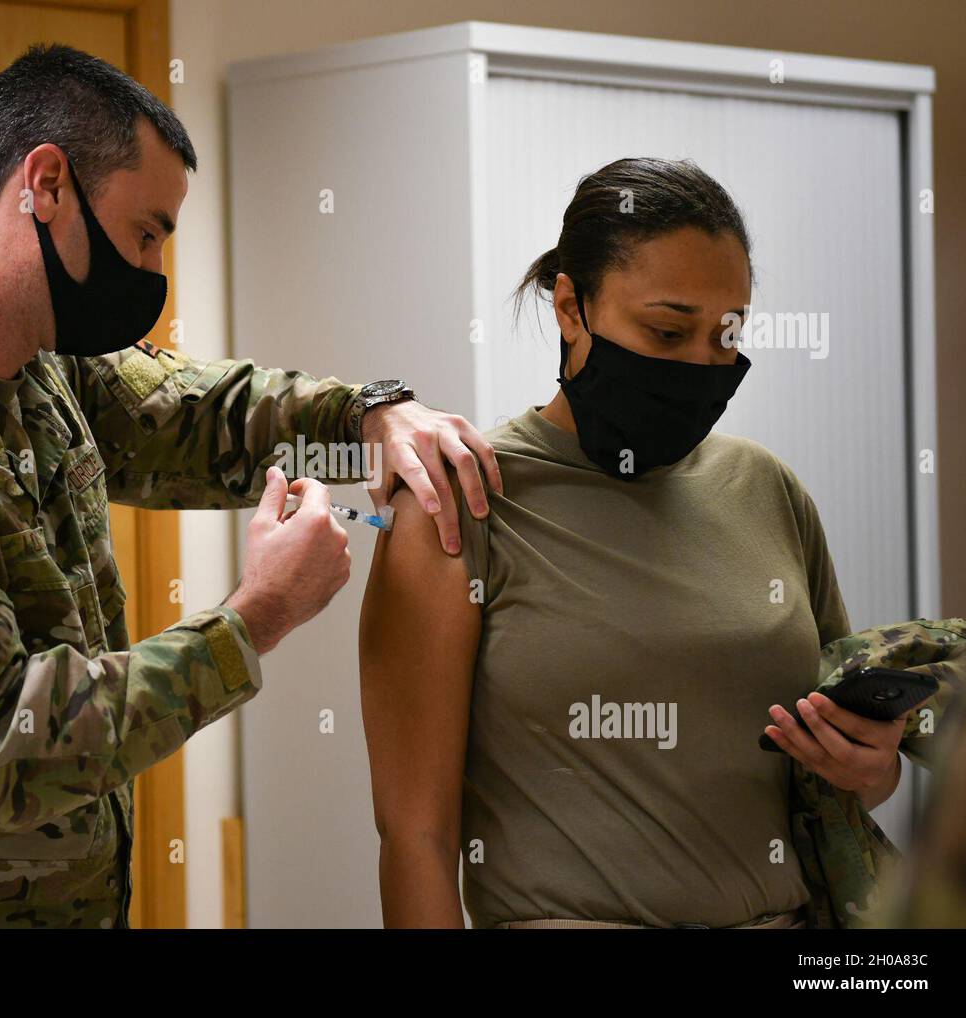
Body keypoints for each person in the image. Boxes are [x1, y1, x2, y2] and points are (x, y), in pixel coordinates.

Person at [0, 43, 500, 929]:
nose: (150, 275)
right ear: (46, 186)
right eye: (144, 234)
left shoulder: (34, 368)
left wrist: (364, 422)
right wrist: (257, 619)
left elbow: (200, 418)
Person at [359, 157, 907, 929]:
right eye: (666, 329)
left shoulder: (767, 490)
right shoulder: (461, 503)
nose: (702, 365)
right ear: (571, 308)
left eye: (726, 336)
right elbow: (415, 836)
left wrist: (872, 768)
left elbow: (841, 775)